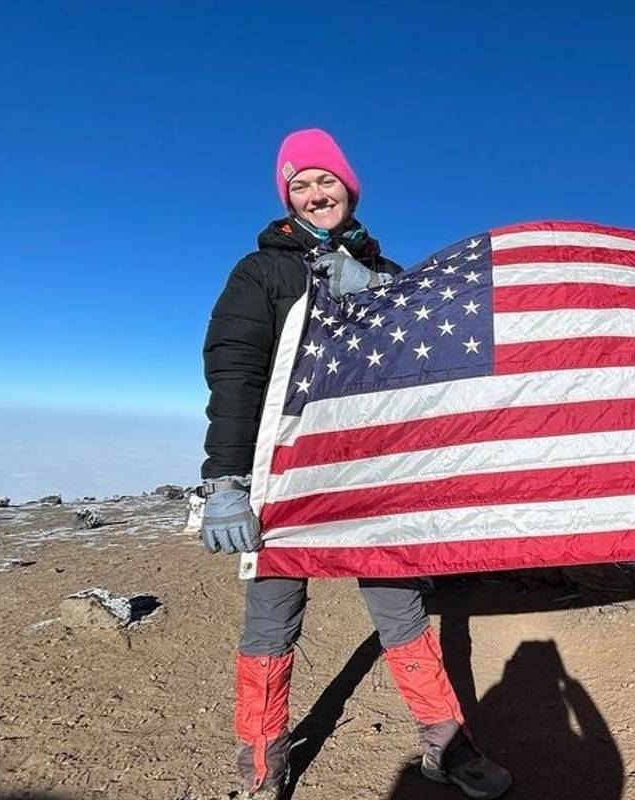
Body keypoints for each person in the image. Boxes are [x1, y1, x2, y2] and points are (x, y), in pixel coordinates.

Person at [199, 128, 511, 800]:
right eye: (300, 185)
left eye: (326, 180)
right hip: (283, 476)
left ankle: (444, 743)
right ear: (288, 197)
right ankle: (262, 754)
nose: (315, 194)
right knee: (272, 617)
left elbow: (424, 387)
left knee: (402, 611)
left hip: (374, 481)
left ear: (349, 187)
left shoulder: (392, 279)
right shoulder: (265, 273)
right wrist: (225, 480)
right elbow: (234, 374)